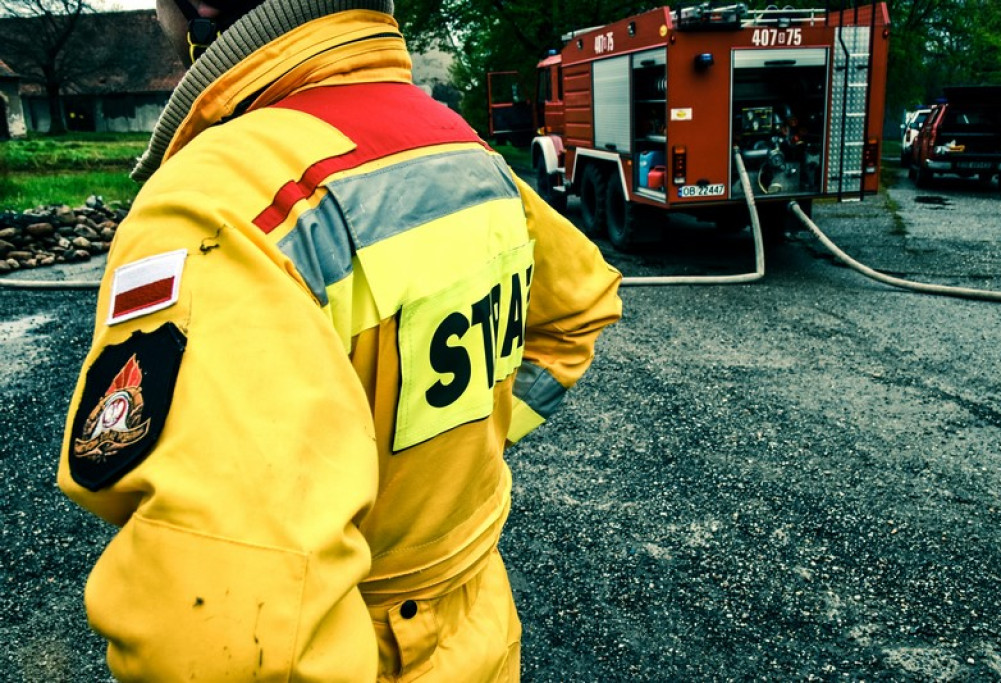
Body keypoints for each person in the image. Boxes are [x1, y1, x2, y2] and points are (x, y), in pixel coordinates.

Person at [58, 0, 622, 680]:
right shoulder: (462, 148)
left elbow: (229, 644)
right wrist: (469, 442)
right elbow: (580, 305)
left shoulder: (213, 203)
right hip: (482, 637)